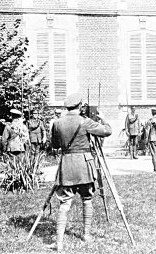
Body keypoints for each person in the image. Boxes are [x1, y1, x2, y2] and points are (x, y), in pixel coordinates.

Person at [49, 93, 112, 252]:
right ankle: (86, 234)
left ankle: (59, 242)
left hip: (67, 165)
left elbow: (55, 145)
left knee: (64, 203)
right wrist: (103, 118)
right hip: (85, 165)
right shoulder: (85, 122)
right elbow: (107, 131)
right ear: (80, 106)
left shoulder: (57, 123)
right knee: (87, 199)